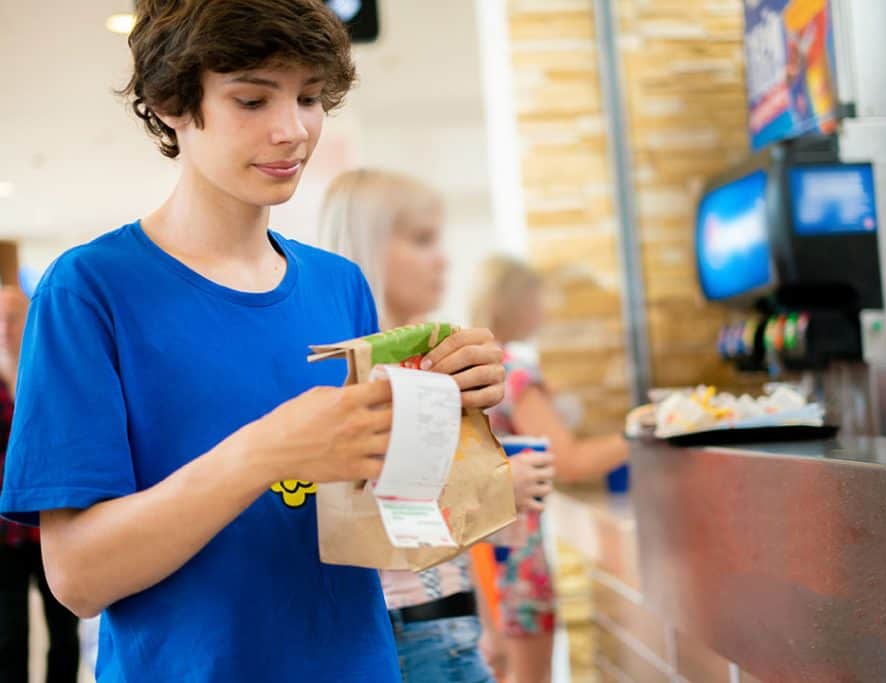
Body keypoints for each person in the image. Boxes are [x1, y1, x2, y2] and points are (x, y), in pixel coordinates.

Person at [0, 3, 507, 681]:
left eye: (310, 98)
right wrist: (267, 451)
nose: (293, 129)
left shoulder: (339, 285)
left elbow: (388, 517)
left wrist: (448, 409)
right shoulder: (89, 290)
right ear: (171, 101)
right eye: (251, 99)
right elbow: (78, 578)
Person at [320, 169, 555, 683]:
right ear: (371, 249)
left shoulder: (424, 363)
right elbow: (371, 519)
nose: (443, 258)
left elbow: (446, 547)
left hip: (450, 621)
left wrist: (486, 625)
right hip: (406, 631)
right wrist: (497, 490)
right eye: (422, 240)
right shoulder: (360, 377)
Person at [471, 255, 631, 683]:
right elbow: (569, 462)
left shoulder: (475, 366)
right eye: (537, 298)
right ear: (515, 302)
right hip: (517, 553)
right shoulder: (514, 372)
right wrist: (642, 431)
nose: (543, 309)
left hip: (480, 548)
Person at [0, 286, 80, 683]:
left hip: (52, 526)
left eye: (12, 317)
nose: (4, 328)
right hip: (4, 535)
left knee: (64, 630)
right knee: (8, 635)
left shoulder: (51, 374)